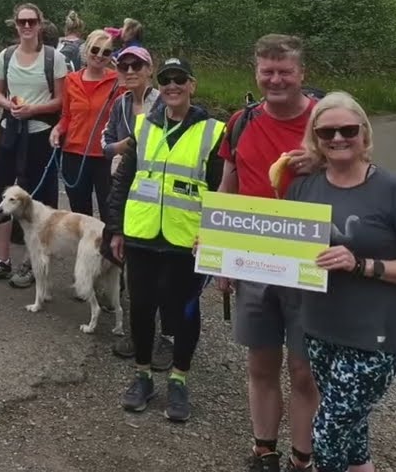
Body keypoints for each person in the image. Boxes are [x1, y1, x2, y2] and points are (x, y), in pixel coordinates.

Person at [286, 92, 396, 472]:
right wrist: (218, 246)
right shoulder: (304, 187)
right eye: (327, 132)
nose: (338, 138)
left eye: (348, 130)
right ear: (315, 138)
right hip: (320, 329)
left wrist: (363, 265)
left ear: (364, 133)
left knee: (327, 434)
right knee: (353, 438)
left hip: (373, 338)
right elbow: (279, 247)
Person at [217, 33, 323, 472]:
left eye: (285, 71)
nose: (276, 80)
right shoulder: (240, 121)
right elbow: (228, 185)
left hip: (308, 260)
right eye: (268, 71)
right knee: (260, 363)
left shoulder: (326, 122)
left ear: (302, 73)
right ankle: (264, 450)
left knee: (304, 370)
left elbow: (363, 174)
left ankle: (303, 457)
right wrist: (220, 256)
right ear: (256, 72)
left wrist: (323, 160)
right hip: (254, 256)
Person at [103, 56, 223, 422]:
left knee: (183, 312)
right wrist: (115, 228)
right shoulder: (144, 126)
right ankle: (142, 376)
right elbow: (123, 180)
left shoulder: (213, 132)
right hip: (141, 235)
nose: (172, 86)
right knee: (141, 308)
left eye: (179, 79)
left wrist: (214, 236)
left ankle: (178, 380)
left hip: (186, 240)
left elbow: (222, 189)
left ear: (192, 85)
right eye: (167, 79)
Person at [0, 3, 67, 287]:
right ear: (15, 24)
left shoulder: (53, 58)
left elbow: (61, 100)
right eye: (21, 21)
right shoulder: (6, 56)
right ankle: (2, 260)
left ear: (40, 24)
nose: (26, 26)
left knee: (38, 198)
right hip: (10, 131)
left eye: (32, 21)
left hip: (40, 135)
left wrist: (33, 110)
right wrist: (9, 105)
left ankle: (31, 263)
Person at [103, 46, 174, 367]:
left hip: (162, 198)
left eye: (137, 65)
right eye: (124, 66)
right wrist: (123, 147)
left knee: (167, 271)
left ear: (149, 69)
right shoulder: (119, 104)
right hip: (128, 192)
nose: (130, 71)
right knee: (135, 268)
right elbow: (106, 142)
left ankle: (169, 336)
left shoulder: (163, 101)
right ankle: (138, 331)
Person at [50, 29, 121, 217]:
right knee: (80, 215)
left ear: (111, 56)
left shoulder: (117, 82)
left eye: (106, 52)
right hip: (74, 154)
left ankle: (108, 238)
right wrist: (58, 129)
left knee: (110, 213)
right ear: (86, 49)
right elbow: (66, 116)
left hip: (106, 156)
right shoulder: (71, 80)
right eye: (95, 50)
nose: (99, 55)